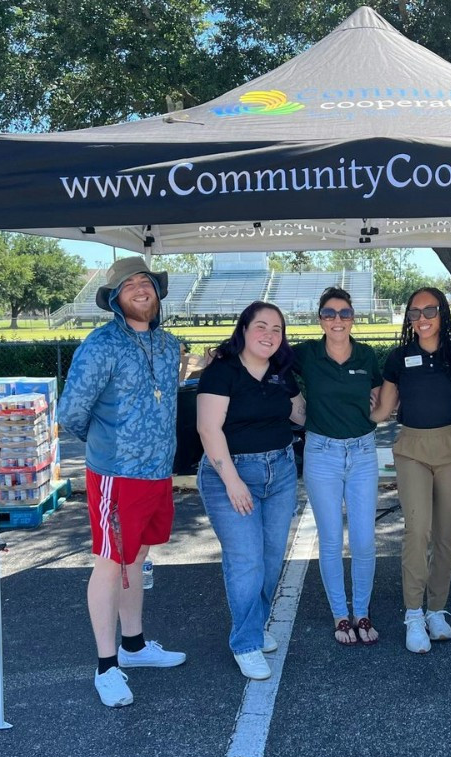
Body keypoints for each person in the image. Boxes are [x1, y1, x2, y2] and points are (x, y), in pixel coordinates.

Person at [58, 256, 185, 709]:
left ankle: (134, 646)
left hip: (158, 472)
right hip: (116, 474)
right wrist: (109, 446)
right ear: (115, 298)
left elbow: (167, 393)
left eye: (145, 282)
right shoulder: (100, 345)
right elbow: (70, 411)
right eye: (128, 284)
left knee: (138, 557)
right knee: (111, 561)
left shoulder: (171, 345)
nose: (139, 289)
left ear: (157, 291)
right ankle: (106, 666)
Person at [196, 302, 306, 681]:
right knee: (247, 561)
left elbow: (300, 415)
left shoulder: (281, 372)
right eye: (261, 326)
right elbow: (209, 430)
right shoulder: (221, 372)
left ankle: (254, 628)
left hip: (281, 471)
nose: (269, 335)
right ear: (243, 329)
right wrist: (233, 481)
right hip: (231, 472)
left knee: (272, 558)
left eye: (277, 329)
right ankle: (245, 643)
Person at [371, 288, 451, 654]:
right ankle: (413, 614)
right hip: (412, 449)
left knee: (447, 535)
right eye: (415, 312)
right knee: (418, 531)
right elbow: (382, 412)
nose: (422, 318)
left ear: (443, 313)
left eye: (429, 310)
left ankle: (437, 609)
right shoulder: (399, 357)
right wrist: (339, 405)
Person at [293, 287, 383, 645]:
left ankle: (362, 612)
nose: (337, 320)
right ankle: (340, 615)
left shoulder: (367, 355)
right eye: (329, 313)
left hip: (362, 452)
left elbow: (378, 396)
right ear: (320, 319)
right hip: (322, 453)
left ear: (353, 318)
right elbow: (264, 356)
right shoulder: (306, 354)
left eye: (344, 313)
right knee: (330, 539)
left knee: (363, 540)